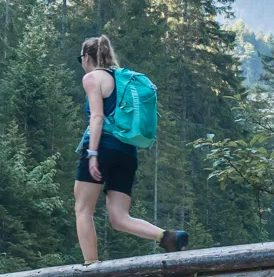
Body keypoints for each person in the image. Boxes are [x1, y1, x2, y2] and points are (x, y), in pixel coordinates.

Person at [73, 35, 189, 264]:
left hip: (102, 146)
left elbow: (97, 117)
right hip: (127, 151)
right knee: (119, 217)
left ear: (87, 57)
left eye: (81, 59)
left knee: (83, 209)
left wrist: (93, 154)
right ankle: (167, 237)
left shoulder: (92, 78)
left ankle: (91, 267)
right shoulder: (121, 78)